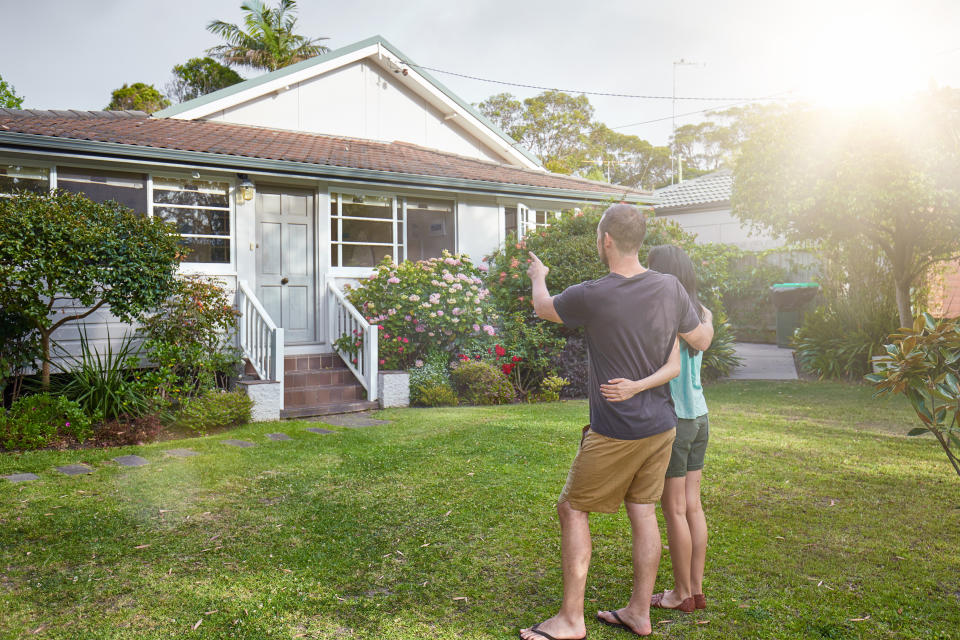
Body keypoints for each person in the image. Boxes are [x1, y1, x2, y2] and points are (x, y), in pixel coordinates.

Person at [519, 204, 714, 640]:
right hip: (663, 425)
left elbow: (544, 309)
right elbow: (700, 339)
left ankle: (571, 619)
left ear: (606, 239)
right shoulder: (670, 287)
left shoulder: (593, 293)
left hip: (616, 429)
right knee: (643, 511)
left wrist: (539, 277)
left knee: (572, 509)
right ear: (638, 240)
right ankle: (639, 612)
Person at [645, 245, 713, 614]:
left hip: (675, 419)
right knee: (693, 507)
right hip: (700, 416)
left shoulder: (664, 314)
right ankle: (696, 590)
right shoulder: (702, 313)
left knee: (673, 509)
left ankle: (681, 593)